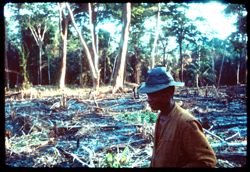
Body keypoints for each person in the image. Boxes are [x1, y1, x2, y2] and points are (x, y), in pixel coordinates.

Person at [138, 67, 217, 167]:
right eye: (148, 95)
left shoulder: (186, 123)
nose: (149, 100)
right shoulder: (161, 117)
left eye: (153, 95)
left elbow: (207, 161)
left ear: (170, 92)